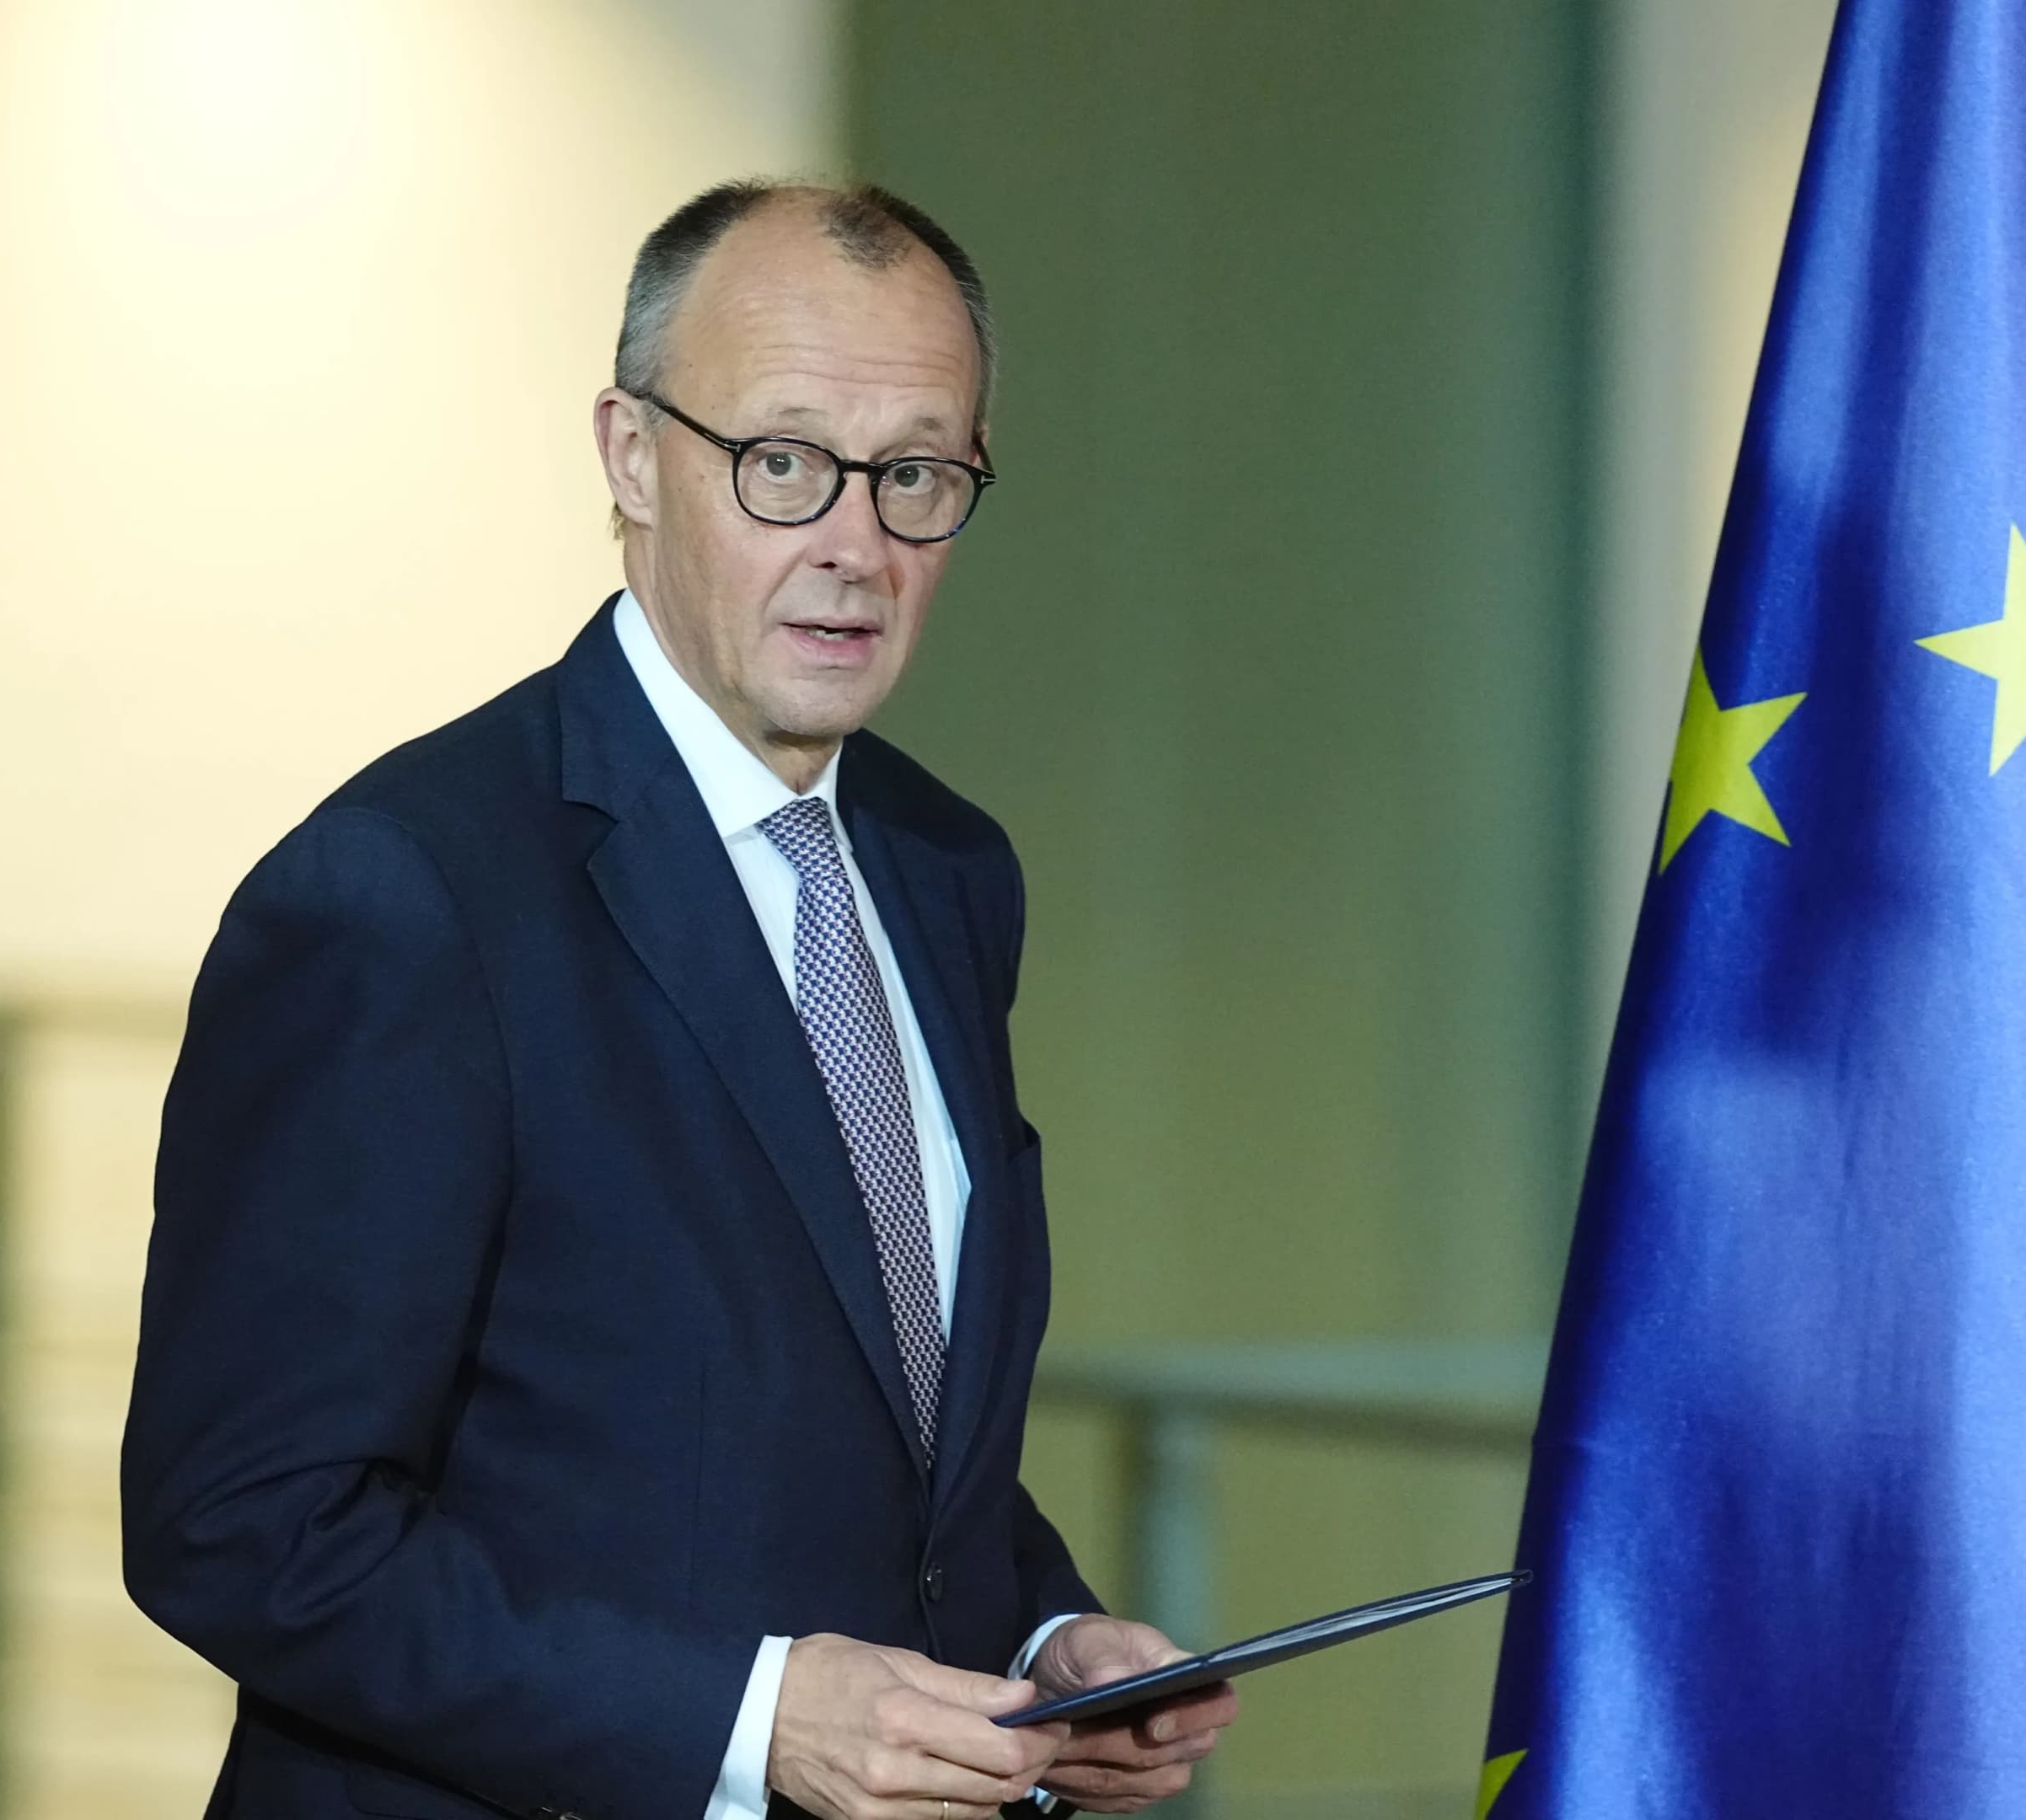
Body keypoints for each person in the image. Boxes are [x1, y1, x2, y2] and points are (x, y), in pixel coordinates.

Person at [123, 182, 1237, 1820]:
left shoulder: (948, 869)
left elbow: (871, 1427)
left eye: (916, 476)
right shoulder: (404, 894)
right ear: (632, 456)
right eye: (783, 463)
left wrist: (1042, 1641)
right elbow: (243, 1525)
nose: (855, 546)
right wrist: (750, 1718)